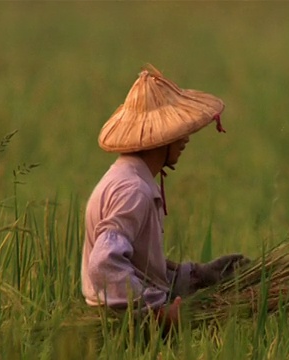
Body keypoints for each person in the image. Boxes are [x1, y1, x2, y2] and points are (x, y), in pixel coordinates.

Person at [81, 64, 249, 332]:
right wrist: (158, 312)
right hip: (127, 326)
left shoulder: (124, 176)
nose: (185, 140)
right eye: (178, 133)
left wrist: (192, 276)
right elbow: (104, 262)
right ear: (160, 138)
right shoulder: (133, 190)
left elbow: (135, 265)